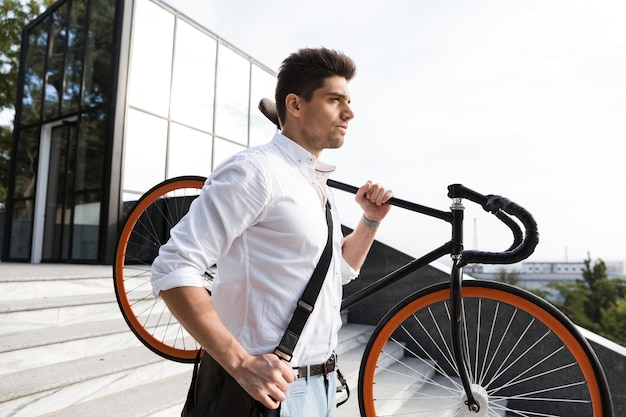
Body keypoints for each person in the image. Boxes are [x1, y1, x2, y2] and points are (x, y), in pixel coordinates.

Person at [151, 47, 393, 417]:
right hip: (263, 393)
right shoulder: (254, 171)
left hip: (322, 386)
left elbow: (336, 273)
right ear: (294, 105)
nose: (349, 112)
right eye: (335, 100)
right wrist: (241, 364)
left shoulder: (316, 185)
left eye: (349, 101)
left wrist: (370, 221)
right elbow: (173, 268)